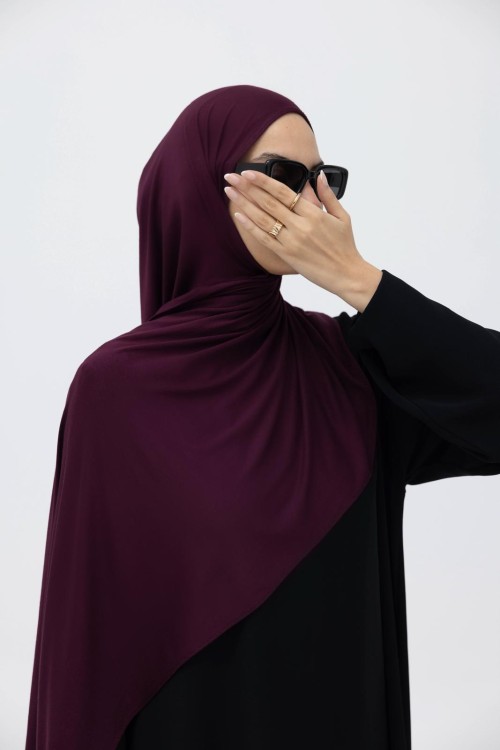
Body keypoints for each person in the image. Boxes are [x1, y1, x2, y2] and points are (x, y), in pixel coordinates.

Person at [24, 84, 500, 750]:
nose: (312, 205)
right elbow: (83, 653)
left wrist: (357, 279)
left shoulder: (349, 370)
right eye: (282, 176)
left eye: (324, 181)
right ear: (198, 189)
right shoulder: (114, 393)